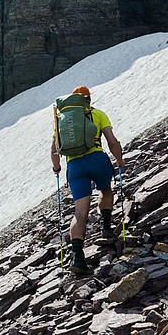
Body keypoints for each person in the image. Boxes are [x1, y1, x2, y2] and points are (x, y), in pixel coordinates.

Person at [50, 85, 125, 274]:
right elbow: (112, 141)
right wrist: (120, 160)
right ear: (88, 99)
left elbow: (54, 151)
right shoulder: (98, 114)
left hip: (75, 167)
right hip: (96, 159)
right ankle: (106, 228)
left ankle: (78, 258)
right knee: (106, 190)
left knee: (80, 211)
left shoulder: (63, 121)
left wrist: (57, 168)